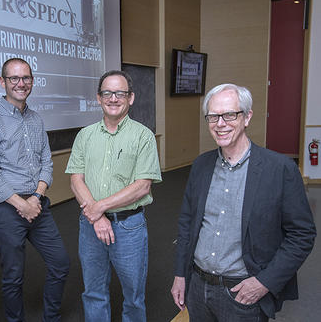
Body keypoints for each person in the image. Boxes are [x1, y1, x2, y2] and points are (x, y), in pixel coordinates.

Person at [170, 83, 316, 321]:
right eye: (213, 116)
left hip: (242, 294)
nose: (220, 124)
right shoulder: (200, 166)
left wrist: (264, 282)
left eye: (229, 114)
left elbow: (302, 235)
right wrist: (180, 274)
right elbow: (187, 224)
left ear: (247, 117)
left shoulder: (280, 169)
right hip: (197, 288)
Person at [0, 58, 70, 322]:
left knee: (60, 264)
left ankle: (51, 318)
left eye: (26, 78)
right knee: (13, 277)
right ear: (2, 82)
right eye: (14, 78)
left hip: (38, 204)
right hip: (7, 209)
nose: (21, 83)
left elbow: (46, 163)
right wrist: (23, 204)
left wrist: (37, 198)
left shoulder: (36, 120)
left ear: (32, 81)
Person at [65, 70, 162, 322]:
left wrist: (99, 208)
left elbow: (142, 186)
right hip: (90, 227)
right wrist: (97, 217)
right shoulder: (84, 136)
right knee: (93, 292)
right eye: (107, 93)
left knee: (133, 296)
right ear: (98, 98)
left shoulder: (143, 136)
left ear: (131, 98)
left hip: (129, 226)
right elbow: (76, 179)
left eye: (120, 93)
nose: (113, 98)